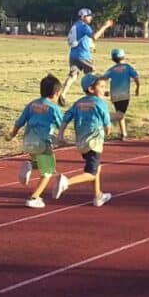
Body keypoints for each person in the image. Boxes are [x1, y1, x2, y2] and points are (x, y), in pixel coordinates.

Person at [56, 74, 113, 207]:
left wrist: (61, 134)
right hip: (94, 142)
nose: (105, 89)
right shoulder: (100, 103)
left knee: (96, 168)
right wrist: (108, 130)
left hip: (81, 141)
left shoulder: (78, 103)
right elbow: (107, 123)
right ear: (91, 89)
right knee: (91, 173)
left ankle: (98, 196)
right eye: (102, 86)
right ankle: (66, 182)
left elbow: (66, 117)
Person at [9, 74, 65, 209]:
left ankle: (29, 165)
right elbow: (61, 125)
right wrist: (62, 138)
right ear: (56, 92)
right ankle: (34, 197)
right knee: (48, 171)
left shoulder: (32, 104)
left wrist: (12, 135)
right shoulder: (53, 108)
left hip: (28, 141)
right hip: (42, 142)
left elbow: (20, 122)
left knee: (39, 163)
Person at [61, 8, 113, 105]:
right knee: (92, 75)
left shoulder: (75, 25)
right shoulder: (85, 26)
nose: (91, 18)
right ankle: (96, 93)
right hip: (83, 55)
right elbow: (95, 37)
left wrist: (90, 45)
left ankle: (63, 94)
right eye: (89, 16)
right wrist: (105, 26)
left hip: (73, 54)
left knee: (73, 76)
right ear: (83, 17)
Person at [104, 49, 140, 140]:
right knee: (120, 114)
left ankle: (123, 134)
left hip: (114, 95)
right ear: (123, 56)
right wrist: (137, 88)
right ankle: (104, 118)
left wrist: (103, 90)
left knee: (120, 112)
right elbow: (136, 77)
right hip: (124, 94)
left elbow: (103, 78)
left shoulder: (111, 69)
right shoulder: (128, 67)